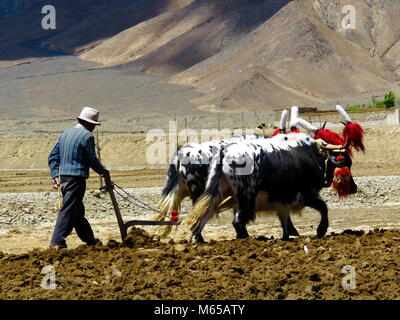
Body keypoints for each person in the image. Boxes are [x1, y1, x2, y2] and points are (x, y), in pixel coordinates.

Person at [48, 107, 110, 249]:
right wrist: (104, 172)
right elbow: (91, 159)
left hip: (64, 178)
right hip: (76, 179)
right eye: (94, 125)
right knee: (69, 210)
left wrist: (55, 175)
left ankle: (90, 240)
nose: (94, 127)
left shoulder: (65, 134)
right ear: (89, 123)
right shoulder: (87, 136)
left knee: (77, 211)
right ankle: (57, 241)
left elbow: (52, 157)